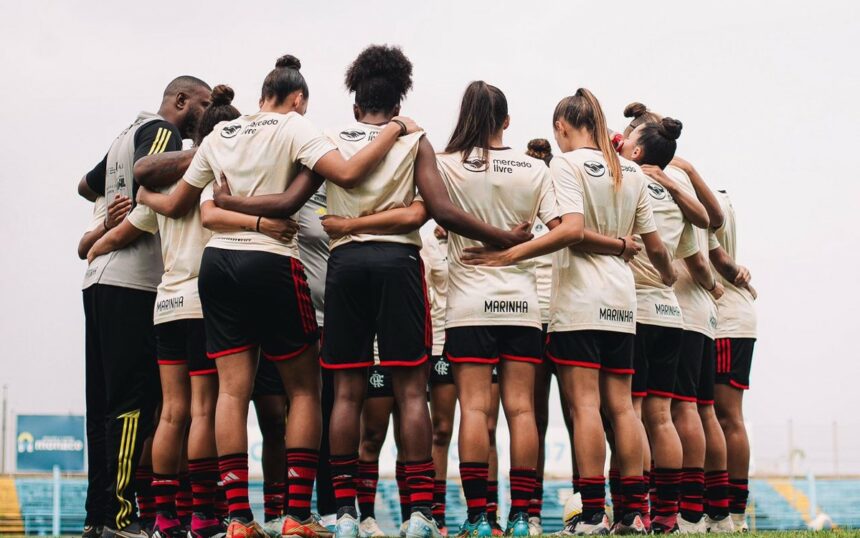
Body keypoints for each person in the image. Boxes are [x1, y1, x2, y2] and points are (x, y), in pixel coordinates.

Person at [136, 54, 422, 538]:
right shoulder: (294, 127)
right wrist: (395, 129)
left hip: (218, 265)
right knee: (304, 389)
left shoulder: (220, 134)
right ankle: (295, 514)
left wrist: (160, 198)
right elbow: (348, 174)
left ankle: (237, 518)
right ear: (299, 99)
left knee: (230, 391)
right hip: (272, 261)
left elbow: (185, 203)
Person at [467, 88, 677, 535]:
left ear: (562, 127)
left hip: (580, 301)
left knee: (584, 408)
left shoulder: (564, 165)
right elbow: (655, 247)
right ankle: (634, 513)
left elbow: (570, 231)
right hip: (623, 301)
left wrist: (511, 253)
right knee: (623, 409)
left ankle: (594, 513)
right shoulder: (629, 170)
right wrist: (668, 276)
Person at [435, 80, 586, 538]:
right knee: (522, 412)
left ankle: (480, 520)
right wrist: (516, 254)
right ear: (506, 121)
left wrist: (494, 252)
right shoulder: (533, 169)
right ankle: (523, 517)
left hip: (468, 306)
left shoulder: (445, 166)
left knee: (474, 411)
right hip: (521, 306)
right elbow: (568, 229)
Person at [78, 75, 212, 538]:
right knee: (132, 404)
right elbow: (147, 187)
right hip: (133, 283)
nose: (205, 113)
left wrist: (98, 231)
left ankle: (97, 518)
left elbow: (84, 185)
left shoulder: (122, 135)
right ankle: (120, 515)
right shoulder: (163, 133)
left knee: (102, 408)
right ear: (181, 101)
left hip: (97, 282)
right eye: (203, 104)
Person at [616, 113, 714, 533]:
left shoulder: (625, 185)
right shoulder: (675, 200)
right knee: (662, 417)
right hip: (671, 315)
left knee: (630, 412)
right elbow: (701, 234)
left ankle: (632, 512)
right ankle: (668, 517)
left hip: (633, 312)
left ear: (637, 151)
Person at [708, 191, 757, 533]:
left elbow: (716, 256)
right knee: (717, 416)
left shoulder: (700, 196)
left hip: (725, 320)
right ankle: (724, 511)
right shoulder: (715, 194)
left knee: (724, 416)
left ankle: (730, 513)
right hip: (727, 318)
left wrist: (734, 272)